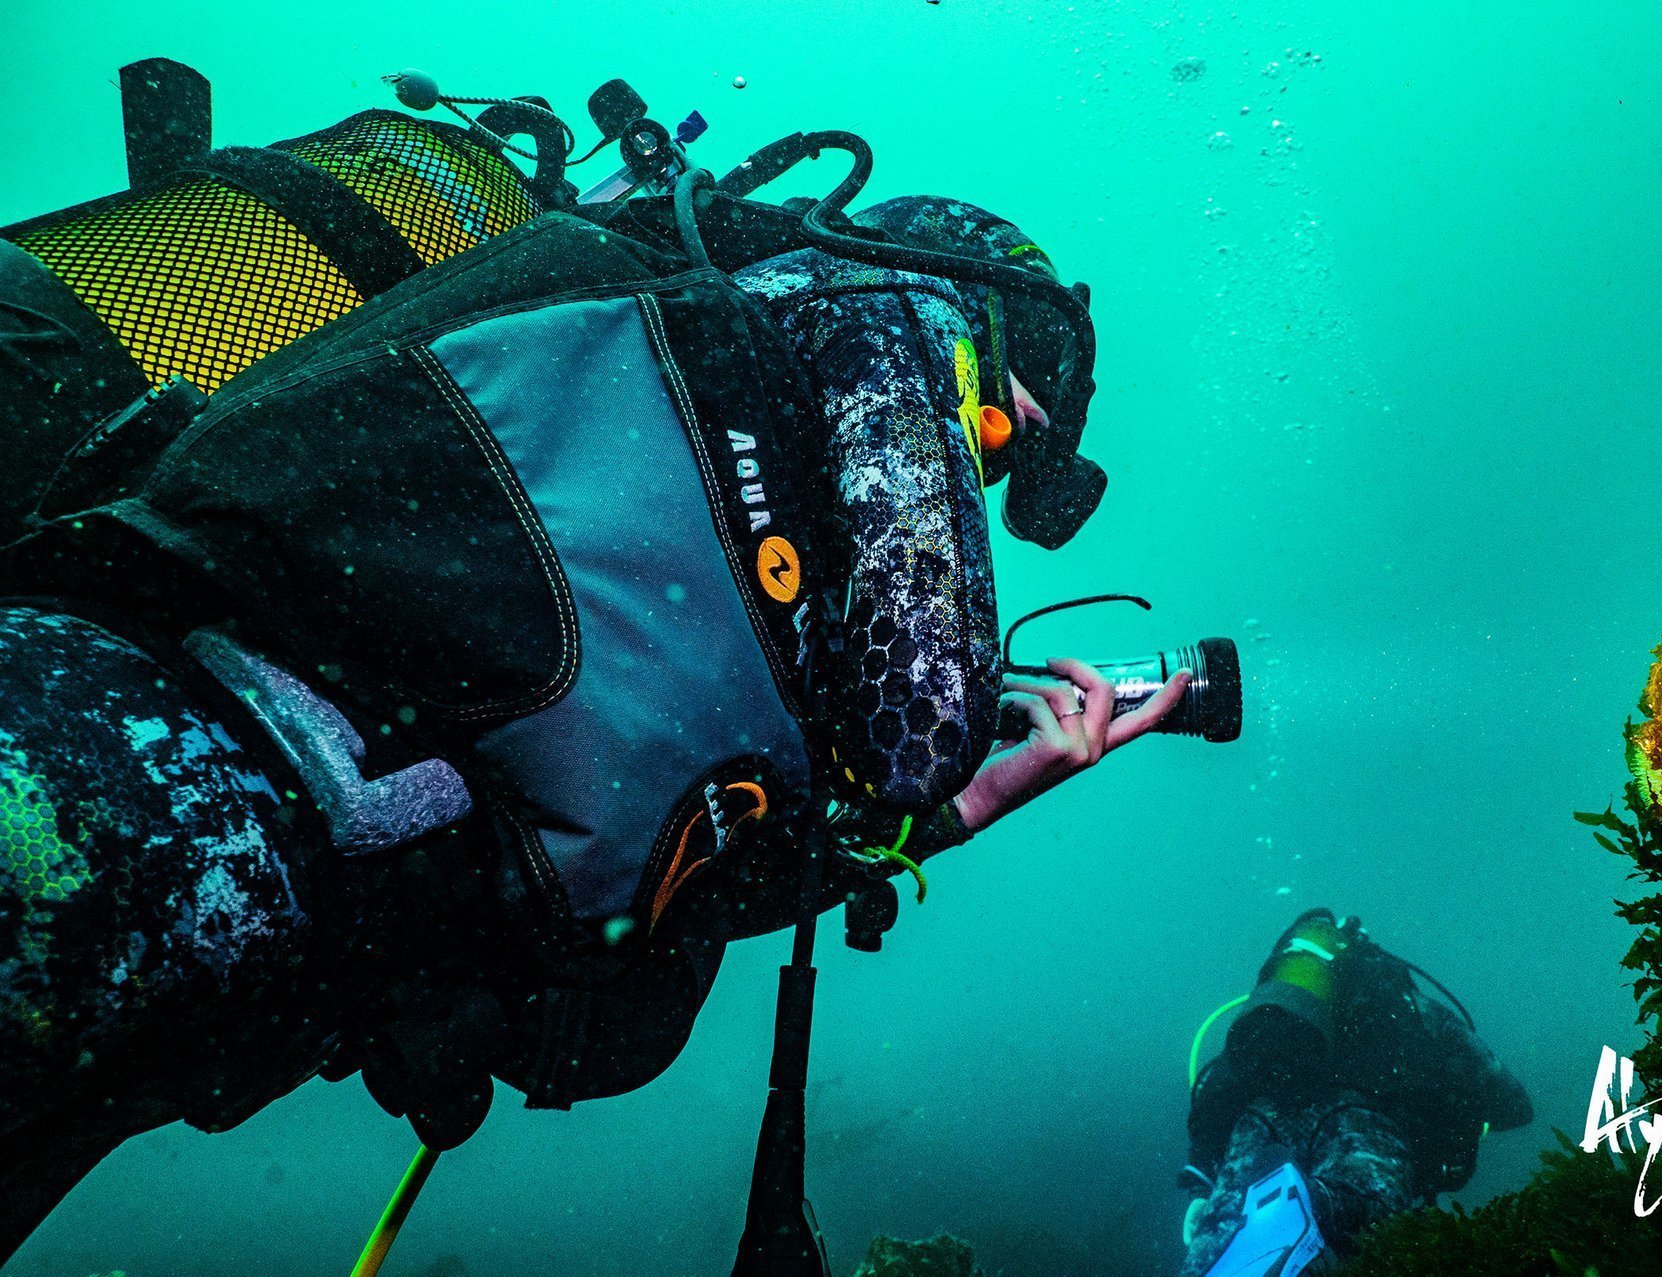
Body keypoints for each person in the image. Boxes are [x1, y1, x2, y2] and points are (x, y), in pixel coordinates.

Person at [0, 76, 1193, 1254]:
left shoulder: (670, 394)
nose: (966, 476)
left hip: (224, 908)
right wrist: (958, 772)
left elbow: (634, 934)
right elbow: (916, 730)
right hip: (167, 795)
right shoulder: (882, 304)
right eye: (993, 433)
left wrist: (976, 798)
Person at [1180, 910, 1533, 1276]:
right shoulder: (1404, 1004)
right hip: (1364, 1121)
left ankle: (1235, 1237)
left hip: (1260, 1118)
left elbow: (1216, 1088)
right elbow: (1515, 1106)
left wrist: (1201, 1185)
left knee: (1224, 1226)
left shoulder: (1268, 1019)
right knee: (1365, 1201)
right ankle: (1317, 1202)